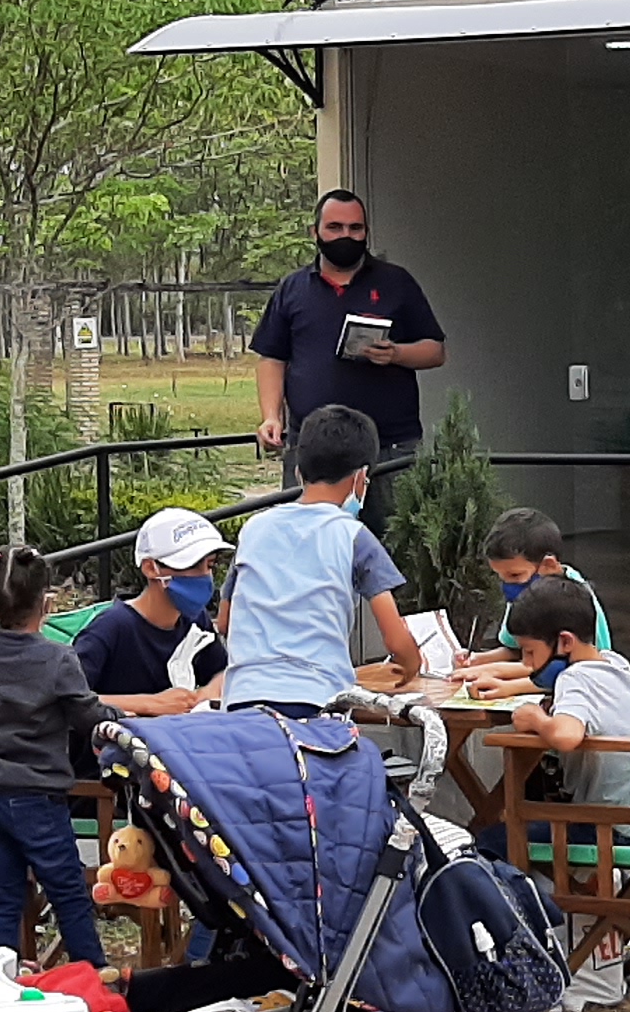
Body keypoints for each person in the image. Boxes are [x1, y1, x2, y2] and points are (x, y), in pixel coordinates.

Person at [248, 189, 444, 533]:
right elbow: (271, 357)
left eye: (355, 229)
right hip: (311, 448)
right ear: (315, 232)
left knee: (397, 544)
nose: (346, 236)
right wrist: (269, 416)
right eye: (335, 228)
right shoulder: (292, 289)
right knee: (307, 543)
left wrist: (397, 353)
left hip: (391, 446)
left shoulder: (397, 282)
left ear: (366, 232)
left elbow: (435, 350)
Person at [0, 544, 110, 964]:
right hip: (37, 796)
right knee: (68, 893)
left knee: (3, 896)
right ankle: (96, 979)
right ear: (47, 602)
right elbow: (90, 718)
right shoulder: (58, 659)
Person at [218, 405, 423, 714]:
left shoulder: (254, 529)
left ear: (298, 471)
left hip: (242, 698)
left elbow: (225, 620)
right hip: (317, 700)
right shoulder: (354, 536)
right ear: (361, 478)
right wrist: (411, 664)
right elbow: (395, 639)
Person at [481, 574, 630, 859]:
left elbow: (566, 736)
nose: (527, 664)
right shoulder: (615, 663)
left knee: (490, 842)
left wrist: (537, 719)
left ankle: (536, 902)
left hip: (613, 828)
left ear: (565, 642)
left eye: (529, 652)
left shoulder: (574, 679)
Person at [70, 507, 232, 716]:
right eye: (191, 564)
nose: (204, 576)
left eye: (210, 565)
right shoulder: (111, 628)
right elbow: (69, 697)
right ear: (150, 568)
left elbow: (223, 671)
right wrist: (149, 704)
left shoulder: (196, 619)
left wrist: (209, 692)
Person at [454, 507, 608, 689]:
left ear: (549, 565)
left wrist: (502, 681)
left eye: (514, 575)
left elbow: (564, 670)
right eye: (500, 577)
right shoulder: (526, 593)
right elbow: (519, 649)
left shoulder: (573, 600)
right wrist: (478, 660)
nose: (507, 585)